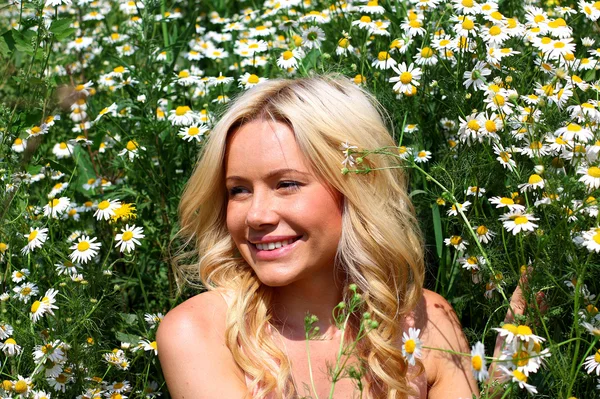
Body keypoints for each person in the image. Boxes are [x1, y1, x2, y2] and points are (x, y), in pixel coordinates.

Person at [157, 75, 482, 398]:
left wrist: (507, 370)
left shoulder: (427, 321)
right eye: (238, 190)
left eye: (286, 184)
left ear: (356, 188)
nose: (256, 215)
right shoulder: (201, 333)